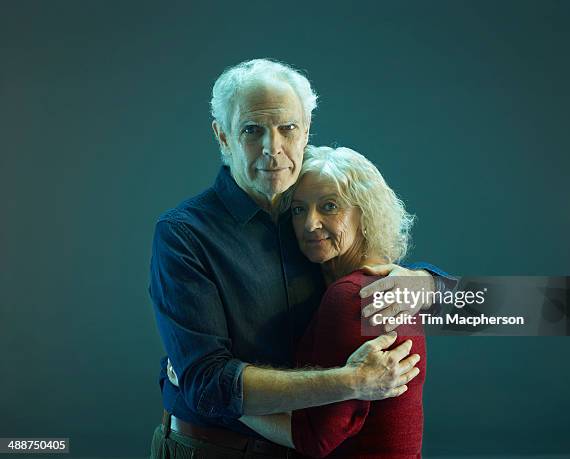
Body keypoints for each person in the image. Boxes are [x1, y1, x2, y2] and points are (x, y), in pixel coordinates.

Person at [149, 59, 454, 458]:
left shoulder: (319, 231)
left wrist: (427, 283)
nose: (272, 148)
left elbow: (488, 310)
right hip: (211, 449)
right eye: (251, 130)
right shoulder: (184, 234)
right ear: (222, 136)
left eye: (287, 128)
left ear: (306, 130)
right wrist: (351, 381)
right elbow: (207, 384)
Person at [239, 146, 427, 458]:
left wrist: (220, 399)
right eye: (299, 210)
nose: (310, 224)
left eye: (329, 206)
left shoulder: (353, 296)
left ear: (364, 213)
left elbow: (313, 439)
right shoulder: (393, 283)